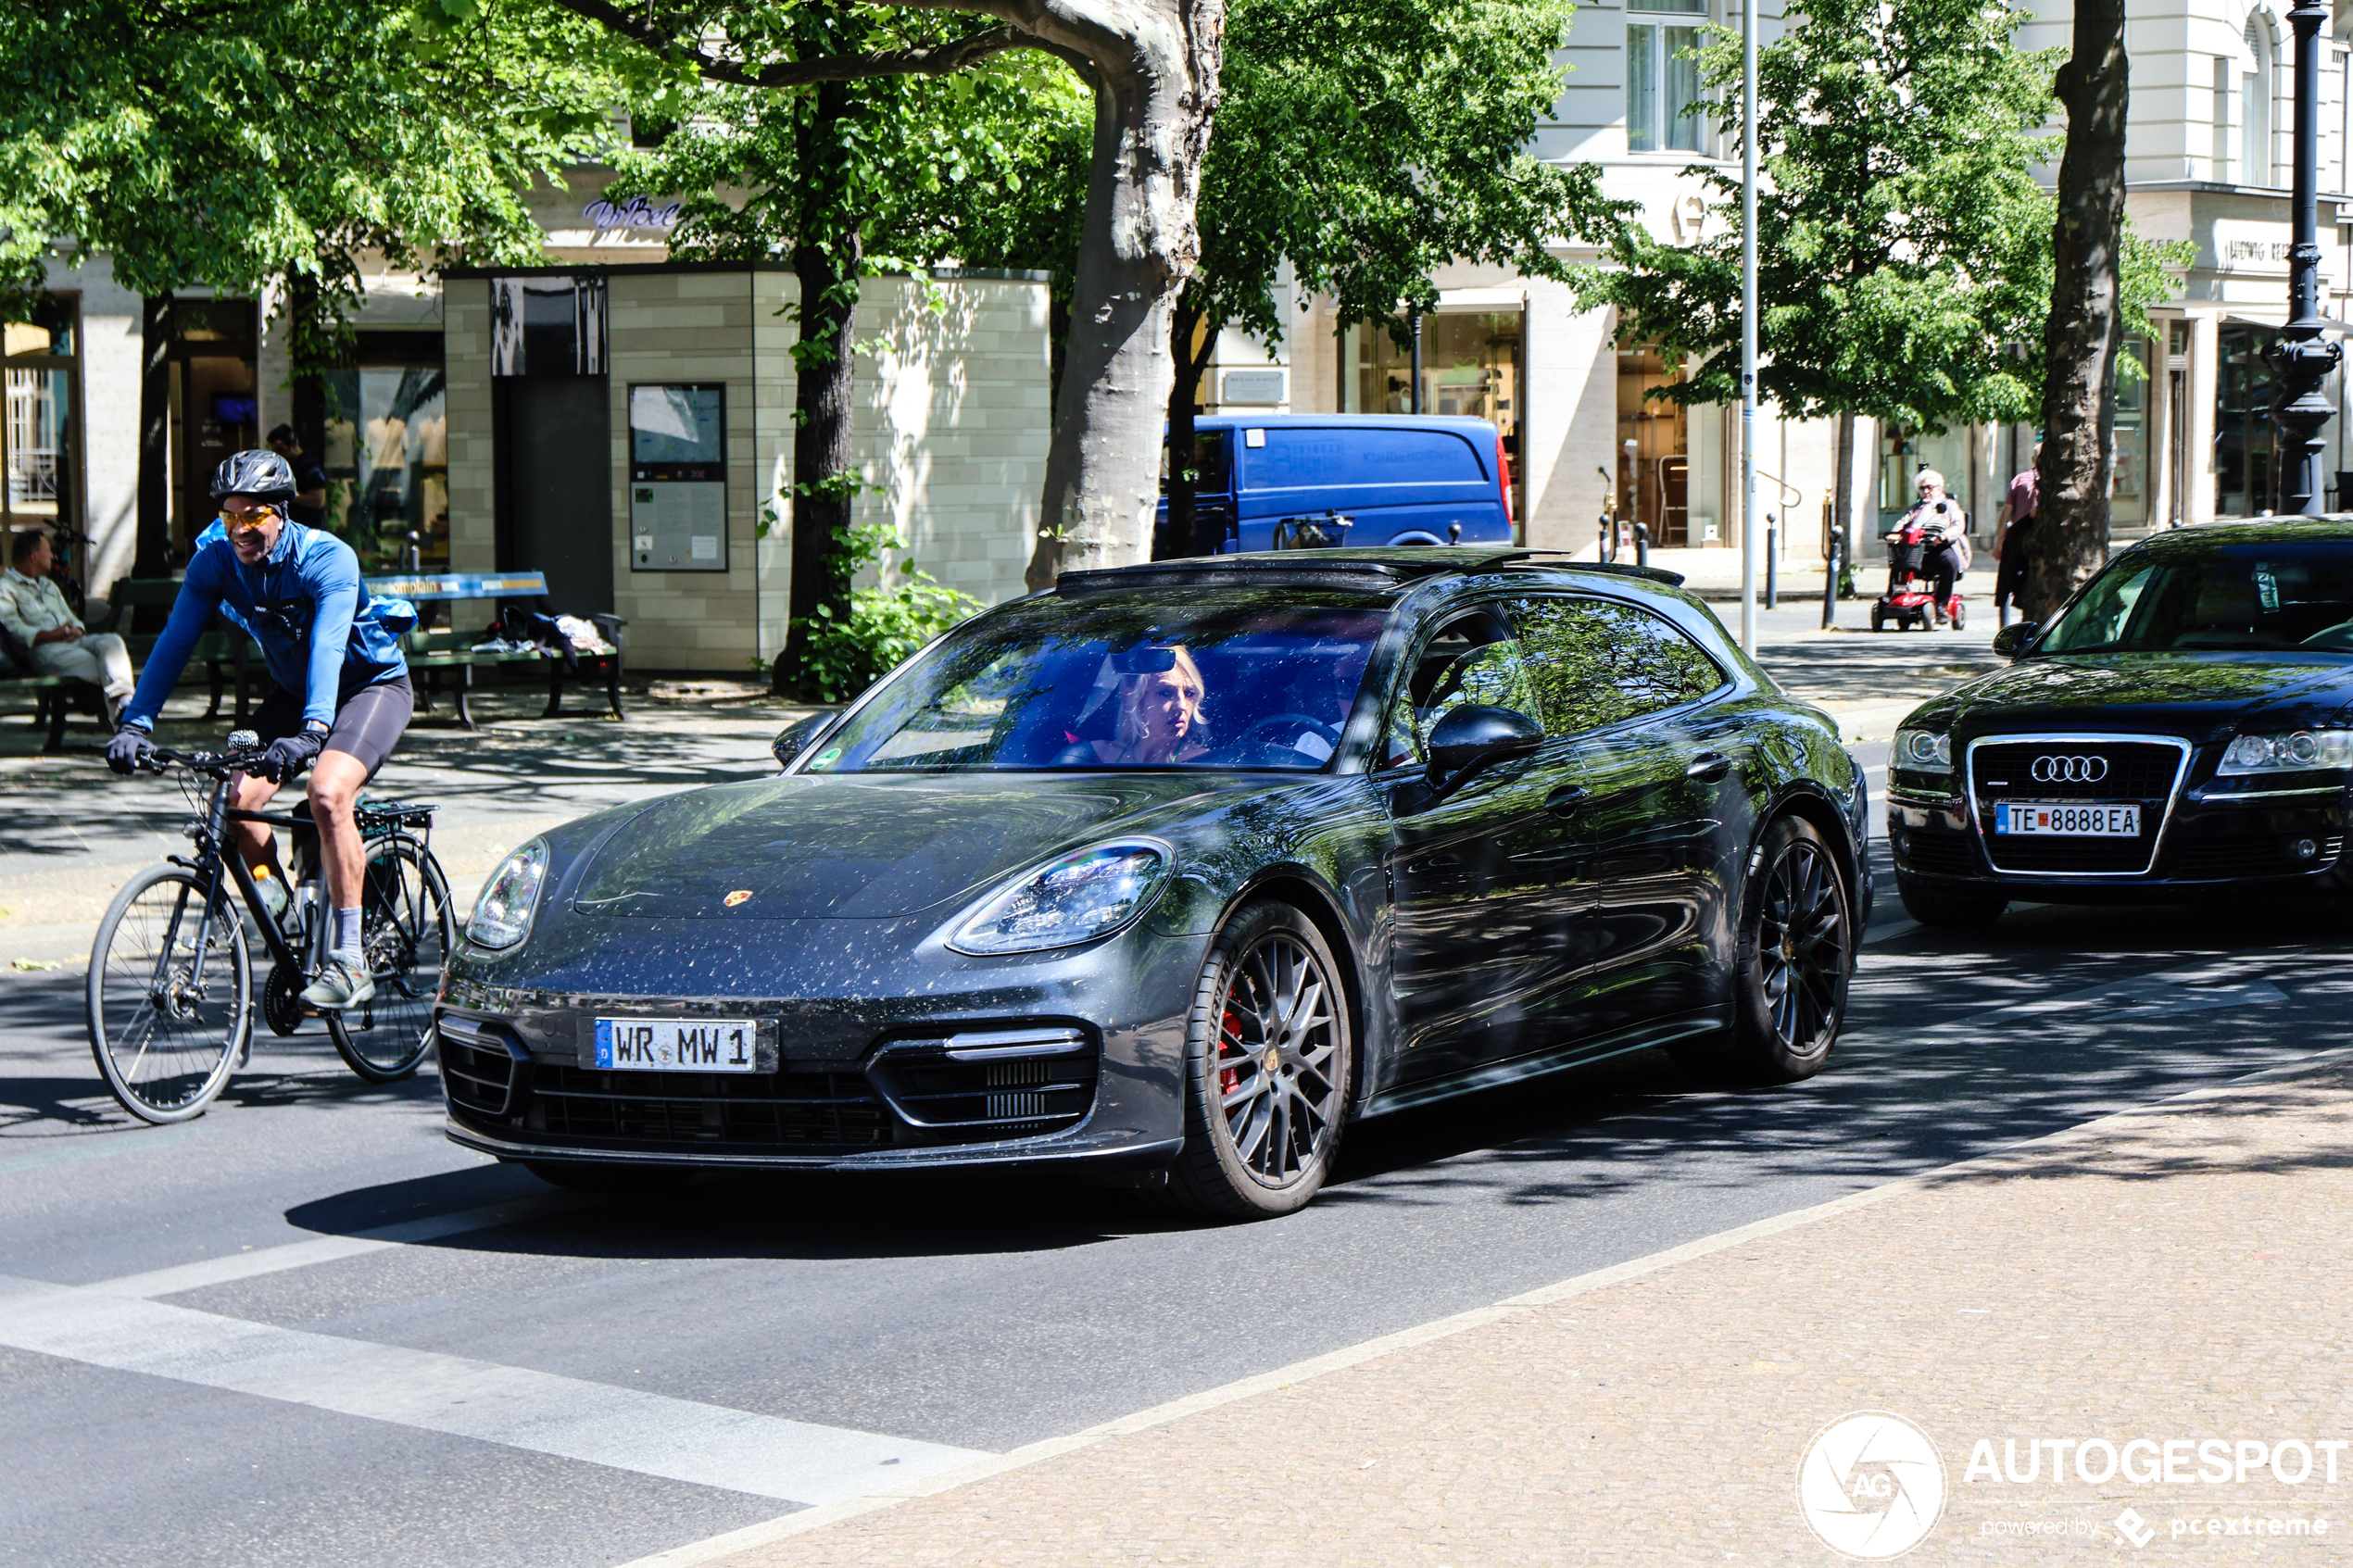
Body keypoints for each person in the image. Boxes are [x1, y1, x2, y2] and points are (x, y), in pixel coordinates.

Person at [105, 451, 414, 1010]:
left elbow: (328, 647)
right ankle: (288, 914)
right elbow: (175, 640)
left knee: (326, 792)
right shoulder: (215, 562)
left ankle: (349, 960)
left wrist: (315, 730)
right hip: (294, 694)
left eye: (253, 517)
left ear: (282, 512)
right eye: (229, 517)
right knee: (235, 800)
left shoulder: (327, 559)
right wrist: (137, 721)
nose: (240, 530)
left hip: (368, 689)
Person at [0, 530, 138, 723]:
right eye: (47, 551)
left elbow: (71, 618)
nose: (52, 556)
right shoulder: (6, 588)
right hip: (45, 650)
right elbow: (14, 629)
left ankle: (124, 702)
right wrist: (51, 635)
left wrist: (77, 629)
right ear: (34, 556)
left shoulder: (48, 586)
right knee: (105, 666)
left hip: (74, 641)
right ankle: (126, 719)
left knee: (112, 642)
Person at [1089, 646, 1208, 765]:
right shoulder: (1093, 755)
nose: (1182, 705)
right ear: (1130, 697)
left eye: (1189, 693)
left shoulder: (1206, 763)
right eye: (1165, 693)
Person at [1899, 469, 1970, 625]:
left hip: (1940, 546)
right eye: (1922, 488)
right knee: (1898, 559)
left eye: (1929, 487)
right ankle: (1897, 598)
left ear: (1939, 488)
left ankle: (1942, 605)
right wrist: (1894, 533)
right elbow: (1902, 523)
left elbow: (1958, 525)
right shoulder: (1915, 508)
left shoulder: (1950, 505)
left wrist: (1943, 536)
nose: (1926, 491)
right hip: (1916, 549)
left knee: (1950, 562)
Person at [1994, 445, 2039, 627]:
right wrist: (1999, 541)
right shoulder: (2022, 480)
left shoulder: (2020, 479)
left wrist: (1999, 541)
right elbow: (2007, 512)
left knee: (2011, 577)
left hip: (2019, 539)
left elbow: (2006, 513)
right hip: (2022, 538)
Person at [267, 424, 332, 529]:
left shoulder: (309, 467)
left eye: (281, 450)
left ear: (292, 445)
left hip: (308, 527)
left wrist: (290, 494)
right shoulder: (283, 466)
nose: (278, 455)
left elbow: (318, 500)